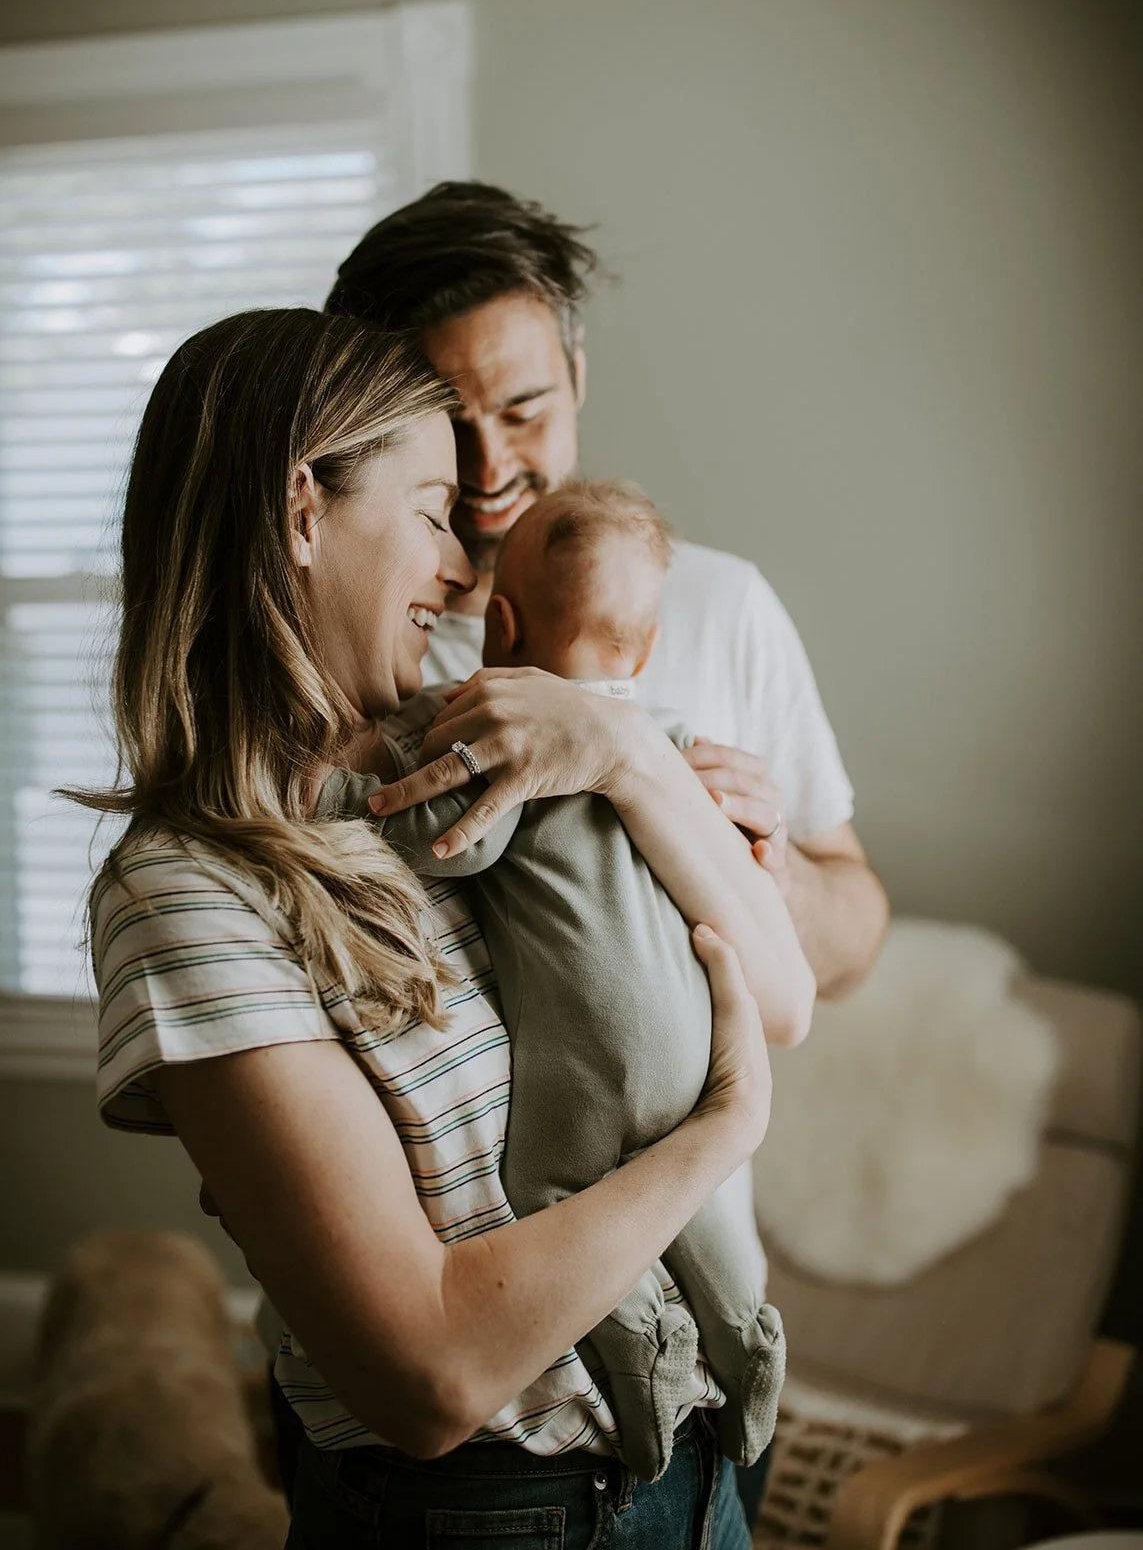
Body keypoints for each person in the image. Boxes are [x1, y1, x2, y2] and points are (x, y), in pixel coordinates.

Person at [76, 307, 815, 1547]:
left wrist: (634, 754)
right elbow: (426, 1372)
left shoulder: (474, 745)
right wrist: (723, 1129)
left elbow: (779, 995)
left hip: (701, 1480)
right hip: (490, 1515)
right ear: (304, 508)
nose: (466, 575)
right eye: (431, 511)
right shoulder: (188, 892)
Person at [325, 179, 890, 1517]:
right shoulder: (364, 639)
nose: (485, 464)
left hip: (690, 1351)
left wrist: (735, 844)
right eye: (441, 422)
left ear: (575, 372)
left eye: (520, 408)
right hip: (467, 1392)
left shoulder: (713, 605)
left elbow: (853, 928)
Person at [324, 481, 796, 1484]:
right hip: (699, 1036)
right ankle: (750, 1338)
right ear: (649, 643)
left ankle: (648, 1362)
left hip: (593, 1052)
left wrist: (364, 802)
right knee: (700, 1200)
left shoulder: (495, 723)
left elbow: (454, 847)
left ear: (498, 623)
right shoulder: (669, 738)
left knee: (552, 1193)